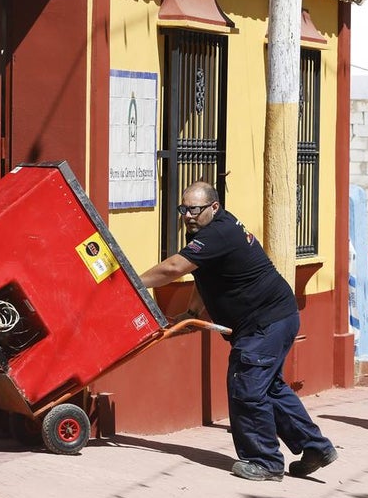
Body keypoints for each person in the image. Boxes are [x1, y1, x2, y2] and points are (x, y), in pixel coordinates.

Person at [139, 181, 336, 482]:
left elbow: (174, 268)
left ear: (214, 207)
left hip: (264, 323)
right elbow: (205, 275)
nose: (187, 216)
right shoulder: (213, 230)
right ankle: (315, 447)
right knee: (270, 389)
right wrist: (192, 313)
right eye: (183, 209)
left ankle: (265, 462)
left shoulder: (218, 233)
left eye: (194, 209)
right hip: (274, 318)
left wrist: (131, 283)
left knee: (246, 387)